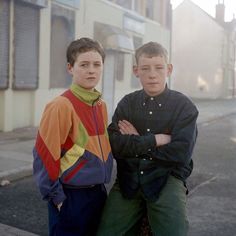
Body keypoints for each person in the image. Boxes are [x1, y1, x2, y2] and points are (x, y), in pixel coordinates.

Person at [97, 41, 198, 236]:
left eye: (159, 68)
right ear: (136, 71)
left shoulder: (183, 106)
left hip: (165, 178)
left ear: (168, 69)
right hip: (129, 179)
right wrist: (155, 140)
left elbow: (180, 153)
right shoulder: (127, 103)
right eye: (145, 68)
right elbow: (115, 145)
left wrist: (136, 141)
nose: (152, 74)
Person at [32, 37, 113, 236]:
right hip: (71, 196)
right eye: (84, 65)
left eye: (97, 64)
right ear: (70, 68)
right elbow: (44, 155)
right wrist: (57, 197)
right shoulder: (60, 105)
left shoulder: (101, 105)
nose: (91, 70)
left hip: (98, 192)